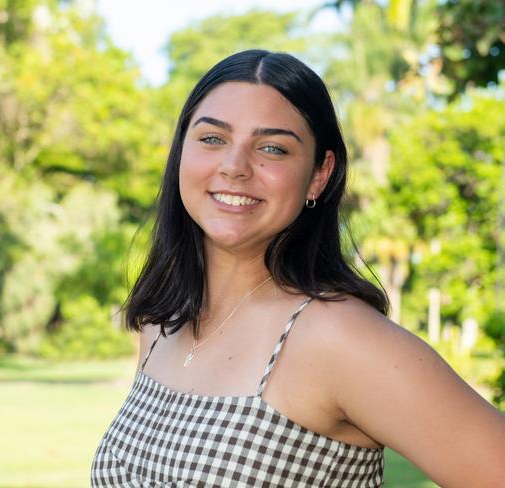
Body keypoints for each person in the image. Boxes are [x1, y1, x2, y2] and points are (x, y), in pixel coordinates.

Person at [91, 50, 505, 487]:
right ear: (180, 153)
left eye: (272, 148)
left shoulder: (339, 338)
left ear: (318, 175)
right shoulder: (162, 325)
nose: (234, 167)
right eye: (212, 138)